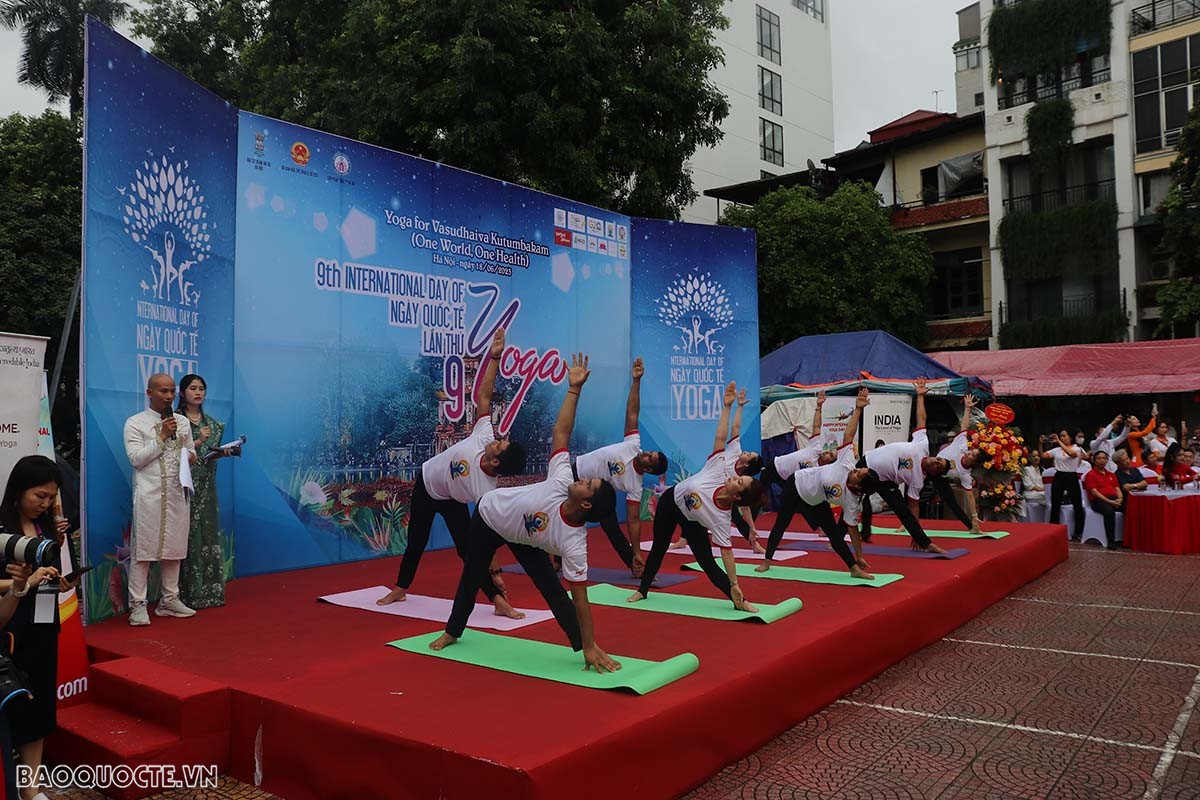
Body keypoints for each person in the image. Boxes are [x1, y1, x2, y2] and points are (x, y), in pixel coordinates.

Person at [429, 354, 620, 672]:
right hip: (489, 518)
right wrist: (574, 390)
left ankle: (584, 647)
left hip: (524, 538)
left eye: (587, 483)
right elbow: (561, 432)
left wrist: (589, 642)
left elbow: (580, 598)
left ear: (586, 505)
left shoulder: (573, 542)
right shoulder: (561, 480)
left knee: (551, 587)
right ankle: (452, 632)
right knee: (471, 576)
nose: (580, 478)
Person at [378, 329, 525, 618]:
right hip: (426, 482)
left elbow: (489, 534)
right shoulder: (484, 435)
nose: (497, 439)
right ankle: (400, 588)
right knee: (416, 542)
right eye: (500, 439)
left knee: (469, 552)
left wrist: (496, 572)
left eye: (501, 445)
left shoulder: (486, 490)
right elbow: (483, 395)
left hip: (451, 500)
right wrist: (494, 357)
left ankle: (497, 601)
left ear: (497, 463)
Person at [628, 382, 763, 611]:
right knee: (660, 546)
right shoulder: (717, 469)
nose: (733, 478)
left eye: (739, 482)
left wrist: (735, 583)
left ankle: (739, 600)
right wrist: (727, 406)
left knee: (708, 563)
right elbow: (721, 437)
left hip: (692, 520)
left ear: (738, 498)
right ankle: (642, 590)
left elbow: (727, 554)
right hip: (671, 503)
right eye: (739, 478)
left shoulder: (721, 518)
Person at [0, 455, 74, 800]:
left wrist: (58, 579)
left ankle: (32, 787)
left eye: (50, 497)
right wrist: (24, 581)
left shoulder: (47, 527)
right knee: (14, 703)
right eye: (39, 496)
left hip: (44, 623)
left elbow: (47, 573)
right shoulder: (2, 527)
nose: (45, 504)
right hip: (10, 628)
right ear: (18, 491)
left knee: (41, 703)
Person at [755, 388, 873, 579]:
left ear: (859, 487)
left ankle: (853, 568)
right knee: (782, 523)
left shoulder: (852, 500)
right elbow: (847, 435)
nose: (856, 469)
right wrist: (858, 409)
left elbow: (853, 530)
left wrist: (859, 556)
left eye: (859, 473)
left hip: (816, 499)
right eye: (860, 468)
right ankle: (767, 561)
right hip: (797, 484)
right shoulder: (845, 462)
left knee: (834, 534)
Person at [572, 357, 667, 577]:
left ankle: (634, 563)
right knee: (561, 516)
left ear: (649, 470)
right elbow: (632, 412)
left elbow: (633, 520)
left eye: (648, 458)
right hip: (573, 472)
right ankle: (556, 561)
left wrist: (638, 550)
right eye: (649, 452)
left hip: (595, 492)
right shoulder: (633, 444)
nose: (645, 453)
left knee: (613, 528)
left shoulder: (635, 485)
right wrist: (636, 381)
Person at [124, 373, 197, 625]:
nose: (168, 396)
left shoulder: (182, 422)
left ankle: (169, 600)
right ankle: (138, 605)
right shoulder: (135, 423)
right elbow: (136, 459)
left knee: (174, 549)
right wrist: (162, 436)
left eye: (171, 391)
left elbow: (190, 451)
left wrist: (191, 457)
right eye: (162, 391)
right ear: (149, 393)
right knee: (143, 551)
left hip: (177, 492)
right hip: (149, 494)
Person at [843, 379, 947, 554]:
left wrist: (915, 534)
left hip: (886, 480)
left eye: (938, 466)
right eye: (938, 460)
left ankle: (925, 542)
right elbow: (922, 420)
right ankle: (839, 537)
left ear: (933, 473)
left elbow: (913, 507)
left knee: (901, 510)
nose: (935, 461)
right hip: (867, 465)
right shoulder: (923, 445)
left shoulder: (917, 480)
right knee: (853, 500)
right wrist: (920, 396)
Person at [176, 374, 231, 609]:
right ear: (182, 392)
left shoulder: (215, 425)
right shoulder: (175, 421)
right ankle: (185, 595)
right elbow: (172, 453)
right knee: (186, 538)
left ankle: (211, 593)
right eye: (192, 388)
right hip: (182, 487)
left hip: (207, 486)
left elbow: (210, 456)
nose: (197, 393)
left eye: (201, 389)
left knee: (208, 535)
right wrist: (197, 441)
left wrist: (223, 452)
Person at [931, 394, 985, 531]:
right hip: (930, 464)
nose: (969, 453)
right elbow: (964, 426)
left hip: (939, 478)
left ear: (973, 462)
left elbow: (970, 496)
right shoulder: (962, 445)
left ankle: (972, 527)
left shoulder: (965, 474)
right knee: (914, 492)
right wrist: (967, 408)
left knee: (953, 504)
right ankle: (905, 523)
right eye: (972, 451)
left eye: (972, 455)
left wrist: (974, 515)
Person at [1046, 430, 1085, 541]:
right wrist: (1041, 443)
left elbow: (1071, 454)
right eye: (1061, 436)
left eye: (1064, 436)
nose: (1062, 438)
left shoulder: (1076, 448)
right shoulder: (1056, 450)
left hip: (1071, 476)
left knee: (1077, 504)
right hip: (1059, 475)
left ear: (1070, 438)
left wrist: (1058, 441)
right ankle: (1053, 529)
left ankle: (1078, 531)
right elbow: (1043, 455)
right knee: (1055, 503)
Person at [1082, 451, 1122, 550]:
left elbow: (1117, 488)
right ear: (1094, 461)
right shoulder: (1090, 475)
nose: (1102, 460)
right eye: (1099, 458)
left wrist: (1120, 499)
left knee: (1131, 508)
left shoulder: (1111, 474)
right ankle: (1111, 541)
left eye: (1104, 458)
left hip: (1114, 500)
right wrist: (1110, 502)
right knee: (1109, 512)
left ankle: (1129, 538)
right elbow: (1094, 492)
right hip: (1099, 501)